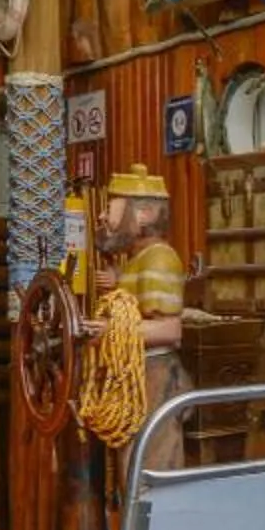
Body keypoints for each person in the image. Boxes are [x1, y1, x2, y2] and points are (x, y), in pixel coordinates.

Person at [94, 166, 187, 470]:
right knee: (131, 468)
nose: (103, 217)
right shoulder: (138, 260)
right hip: (135, 377)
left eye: (111, 208)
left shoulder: (159, 259)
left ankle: (157, 519)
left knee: (149, 466)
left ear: (144, 213)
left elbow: (170, 329)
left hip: (153, 378)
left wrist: (110, 329)